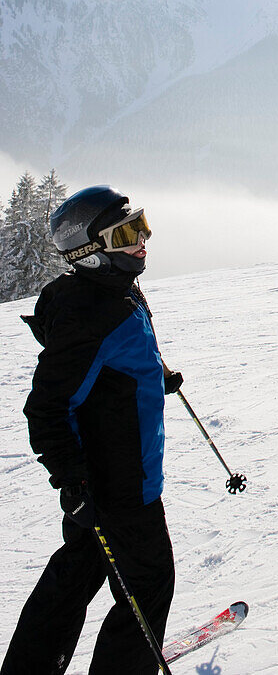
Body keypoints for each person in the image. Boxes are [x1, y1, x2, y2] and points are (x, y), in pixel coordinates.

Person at [2, 186, 178, 675]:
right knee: (148, 583)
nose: (143, 239)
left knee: (77, 572)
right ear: (90, 253)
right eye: (126, 233)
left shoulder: (111, 293)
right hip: (120, 483)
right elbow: (47, 408)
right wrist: (73, 482)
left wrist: (152, 374)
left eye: (140, 224)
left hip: (104, 474)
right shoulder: (95, 314)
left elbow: (106, 366)